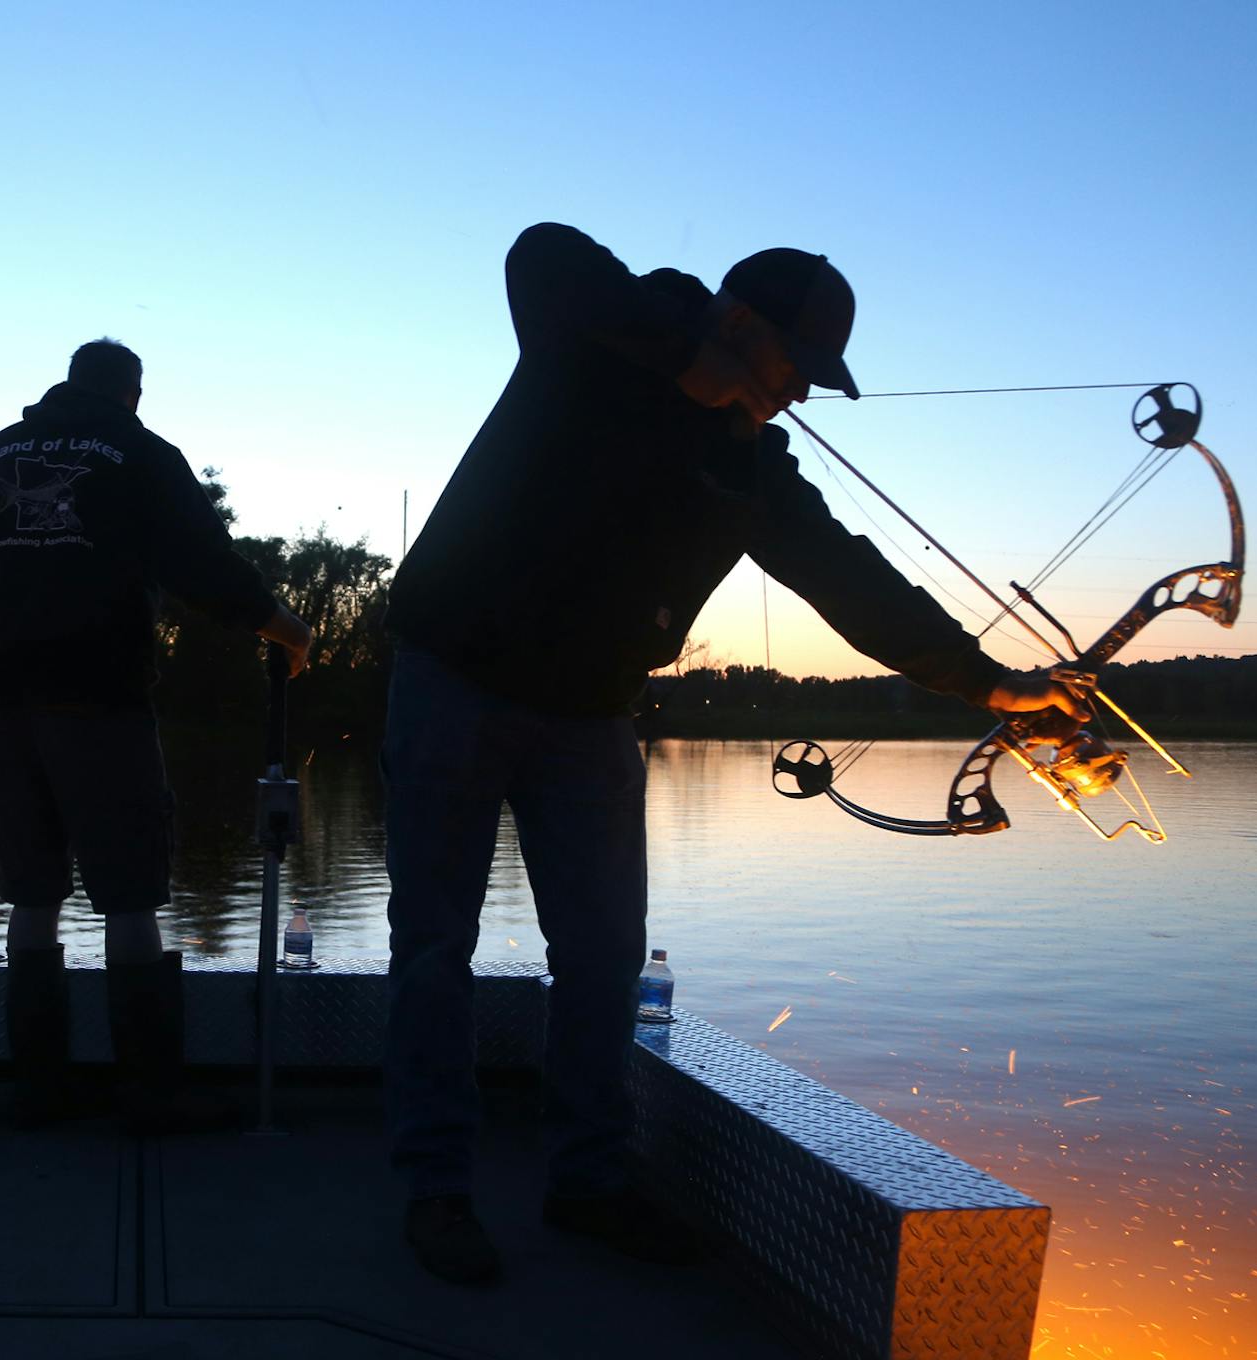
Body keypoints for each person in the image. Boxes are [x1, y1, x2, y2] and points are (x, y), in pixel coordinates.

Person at [381, 224, 1089, 1284]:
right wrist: (679, 351)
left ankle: (589, 1182)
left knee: (607, 956)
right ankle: (437, 1189)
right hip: (455, 678)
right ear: (740, 322)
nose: (801, 391)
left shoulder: (749, 461)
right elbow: (542, 253)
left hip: (591, 716)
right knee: (436, 944)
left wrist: (991, 683)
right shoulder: (593, 344)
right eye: (796, 365)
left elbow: (852, 584)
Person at [0, 338, 313, 1133]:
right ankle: (149, 1096)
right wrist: (280, 625)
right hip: (98, 699)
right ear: (133, 395)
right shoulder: (139, 449)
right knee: (129, 894)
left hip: (6, 703)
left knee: (34, 891)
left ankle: (38, 1091)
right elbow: (202, 559)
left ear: (66, 386)